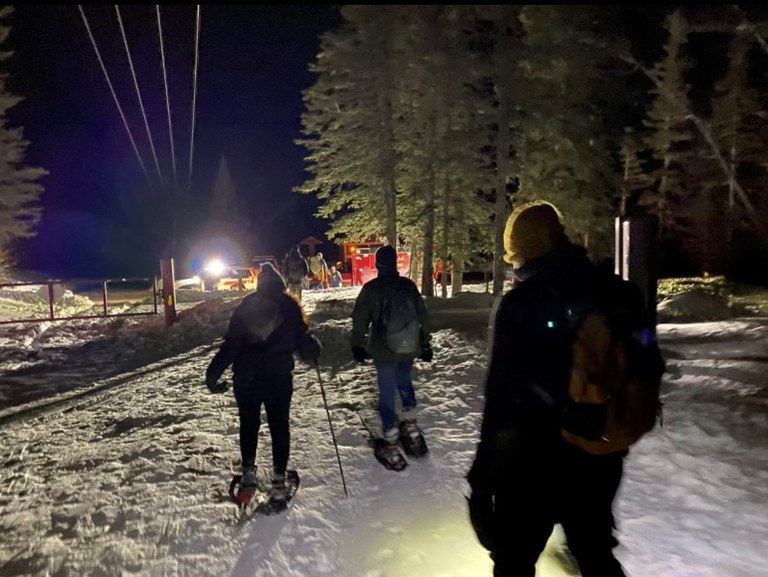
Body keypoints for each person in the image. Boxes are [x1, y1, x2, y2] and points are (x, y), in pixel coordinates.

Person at [467, 201, 631, 576]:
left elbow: (502, 396)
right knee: (594, 552)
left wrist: (483, 474)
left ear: (524, 249)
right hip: (598, 450)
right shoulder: (610, 291)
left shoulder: (522, 303)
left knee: (514, 559)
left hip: (534, 460)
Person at [205, 262, 321, 501]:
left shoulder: (247, 305)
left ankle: (248, 474)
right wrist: (313, 350)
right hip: (278, 377)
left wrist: (213, 373)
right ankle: (279, 480)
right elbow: (303, 340)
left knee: (249, 423)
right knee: (279, 426)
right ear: (279, 282)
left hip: (246, 377)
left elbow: (232, 344)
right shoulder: (289, 305)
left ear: (259, 283)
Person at [350, 245, 433, 467]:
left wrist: (356, 344)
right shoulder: (408, 286)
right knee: (404, 380)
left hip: (383, 349)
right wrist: (425, 344)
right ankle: (410, 424)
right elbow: (423, 317)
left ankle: (390, 435)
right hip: (408, 346)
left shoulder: (371, 289)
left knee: (386, 390)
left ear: (378, 265)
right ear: (395, 263)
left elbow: (359, 321)